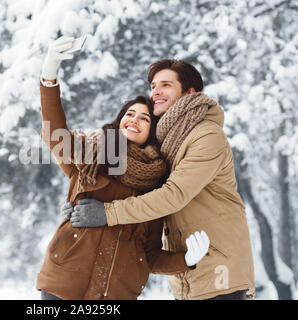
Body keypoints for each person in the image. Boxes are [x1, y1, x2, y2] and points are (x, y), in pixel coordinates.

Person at [36, 37, 210, 300]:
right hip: (63, 284)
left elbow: (149, 255)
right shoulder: (89, 160)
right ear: (119, 122)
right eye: (129, 114)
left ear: (152, 131)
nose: (134, 120)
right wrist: (49, 76)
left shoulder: (158, 185)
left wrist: (186, 260)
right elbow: (55, 130)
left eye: (144, 118)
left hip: (117, 294)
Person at [69, 58, 256, 300]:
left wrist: (107, 212)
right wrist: (79, 202)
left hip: (219, 269)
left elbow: (173, 195)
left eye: (166, 85)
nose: (155, 91)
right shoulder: (166, 143)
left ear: (190, 92)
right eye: (153, 85)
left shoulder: (207, 136)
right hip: (188, 273)